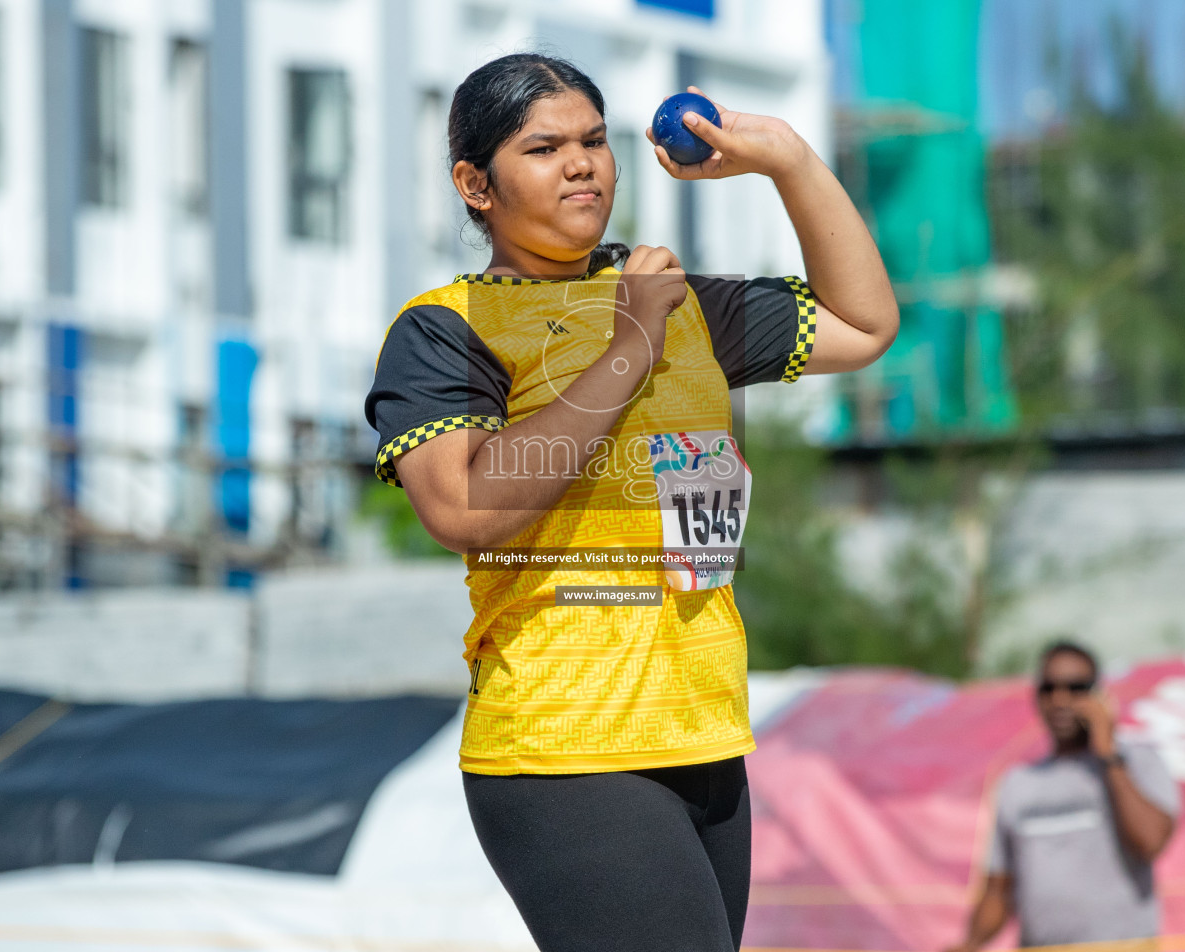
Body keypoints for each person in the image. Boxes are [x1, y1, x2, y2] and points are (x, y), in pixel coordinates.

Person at [363, 53, 896, 952]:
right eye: (543, 148)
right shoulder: (443, 327)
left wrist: (791, 161)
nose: (582, 164)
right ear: (474, 184)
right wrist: (630, 347)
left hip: (707, 735)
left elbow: (866, 324)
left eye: (592, 141)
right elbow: (464, 508)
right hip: (565, 749)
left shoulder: (678, 300)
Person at [946, 641, 1181, 952]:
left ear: (1098, 695)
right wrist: (969, 944)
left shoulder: (1136, 761)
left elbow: (1151, 841)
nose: (1060, 700)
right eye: (1049, 688)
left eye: (1075, 688)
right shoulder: (1018, 783)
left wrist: (1108, 753)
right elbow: (999, 891)